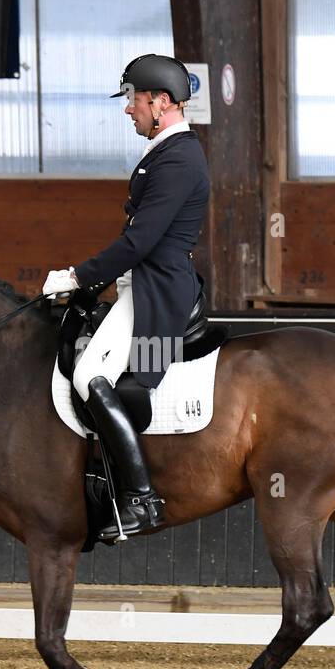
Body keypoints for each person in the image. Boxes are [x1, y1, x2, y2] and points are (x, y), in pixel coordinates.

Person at [42, 54, 211, 539]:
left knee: (91, 376)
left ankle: (140, 500)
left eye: (134, 100)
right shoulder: (166, 152)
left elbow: (140, 241)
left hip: (159, 290)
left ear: (160, 102)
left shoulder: (177, 158)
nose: (127, 111)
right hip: (142, 282)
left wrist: (78, 276)